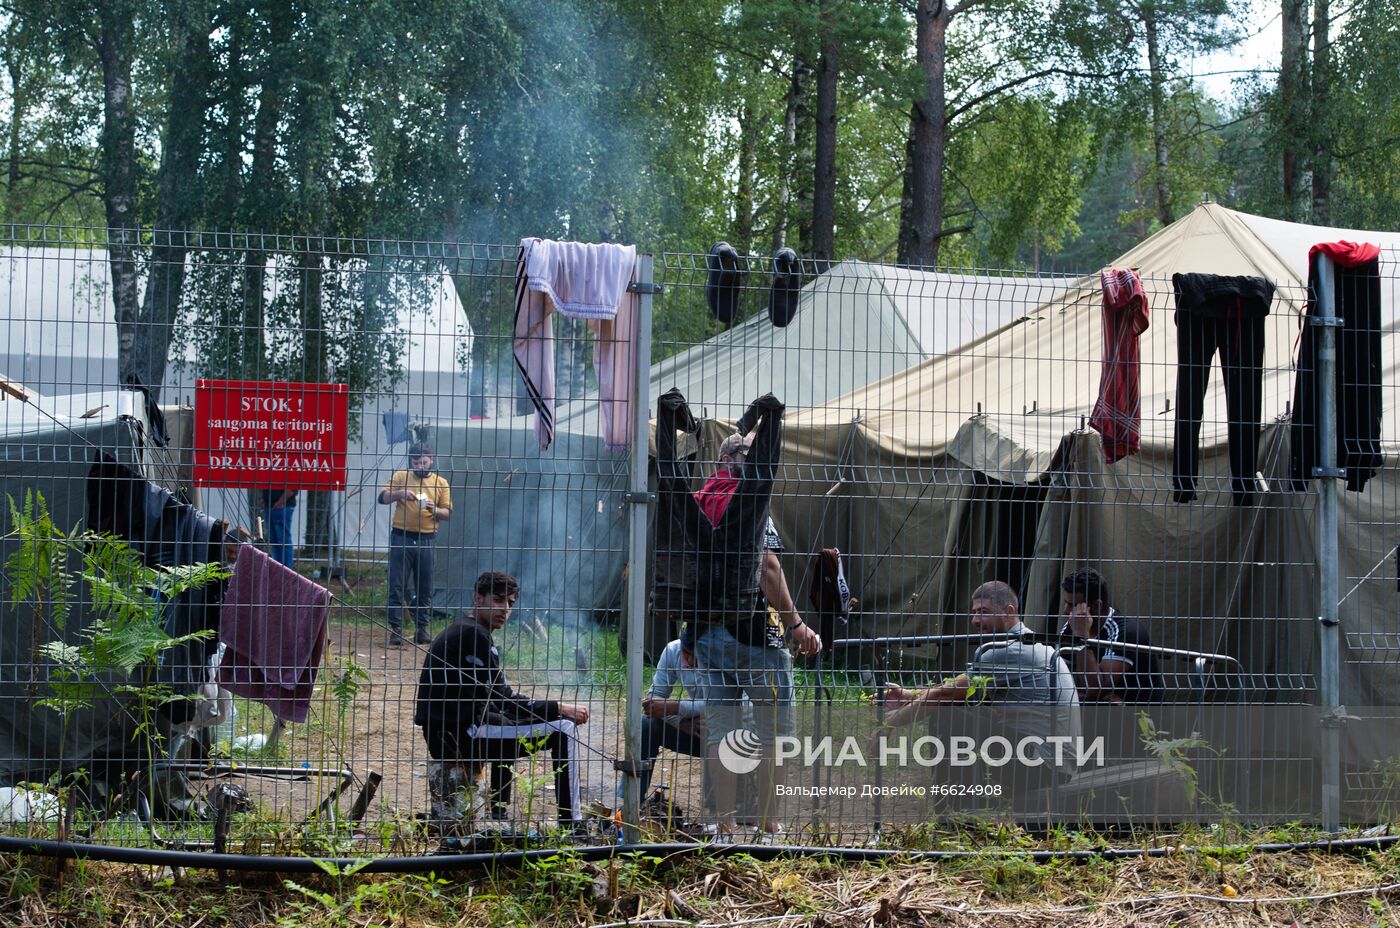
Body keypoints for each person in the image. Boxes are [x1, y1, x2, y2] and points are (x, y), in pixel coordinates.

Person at [653, 389, 821, 839]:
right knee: (772, 737)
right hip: (754, 637)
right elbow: (766, 566)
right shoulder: (749, 506)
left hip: (707, 636)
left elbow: (690, 576)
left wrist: (687, 640)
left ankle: (721, 824)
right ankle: (769, 827)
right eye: (747, 454)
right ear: (741, 461)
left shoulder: (702, 497)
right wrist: (796, 624)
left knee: (721, 732)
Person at [414, 571, 591, 831]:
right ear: (477, 598)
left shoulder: (465, 629)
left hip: (449, 733)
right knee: (564, 729)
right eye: (498, 600)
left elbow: (498, 701)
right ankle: (573, 825)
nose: (505, 609)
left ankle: (499, 814)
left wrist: (537, 711)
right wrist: (558, 708)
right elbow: (505, 698)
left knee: (508, 723)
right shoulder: (474, 635)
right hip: (461, 735)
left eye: (510, 603)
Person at [879, 580, 1080, 790]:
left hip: (1044, 765)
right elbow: (957, 690)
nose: (975, 620)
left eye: (983, 612)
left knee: (949, 715)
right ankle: (968, 804)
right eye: (973, 612)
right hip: (1053, 761)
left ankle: (953, 811)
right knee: (966, 710)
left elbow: (945, 695)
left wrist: (889, 725)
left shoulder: (1009, 649)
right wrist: (909, 695)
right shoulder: (1027, 642)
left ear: (1008, 611)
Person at [379, 442, 452, 646]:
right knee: (396, 584)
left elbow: (447, 513)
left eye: (424, 462)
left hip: (427, 538)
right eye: (416, 462)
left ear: (431, 461)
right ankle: (396, 630)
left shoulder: (441, 483)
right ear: (411, 462)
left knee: (425, 586)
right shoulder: (401, 477)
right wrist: (400, 494)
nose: (420, 466)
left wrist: (433, 509)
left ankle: (422, 629)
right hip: (401, 536)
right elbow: (382, 498)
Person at [1058, 568, 1163, 703]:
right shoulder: (1072, 626)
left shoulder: (1126, 632)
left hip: (1143, 715)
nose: (1066, 611)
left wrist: (1082, 638)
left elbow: (1096, 689)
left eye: (1073, 606)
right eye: (1066, 603)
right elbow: (1057, 680)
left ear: (1097, 606)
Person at [635, 637, 711, 811]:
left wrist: (677, 708)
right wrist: (681, 722)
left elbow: (732, 705)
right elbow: (652, 702)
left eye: (697, 656)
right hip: (695, 729)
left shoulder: (725, 654)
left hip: (729, 732)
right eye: (686, 654)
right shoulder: (672, 650)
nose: (689, 662)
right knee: (646, 725)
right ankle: (631, 801)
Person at [261, 488, 297, 569]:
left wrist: (282, 500)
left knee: (282, 539)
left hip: (282, 505)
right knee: (274, 540)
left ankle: (286, 570)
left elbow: (294, 487)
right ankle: (279, 568)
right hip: (272, 504)